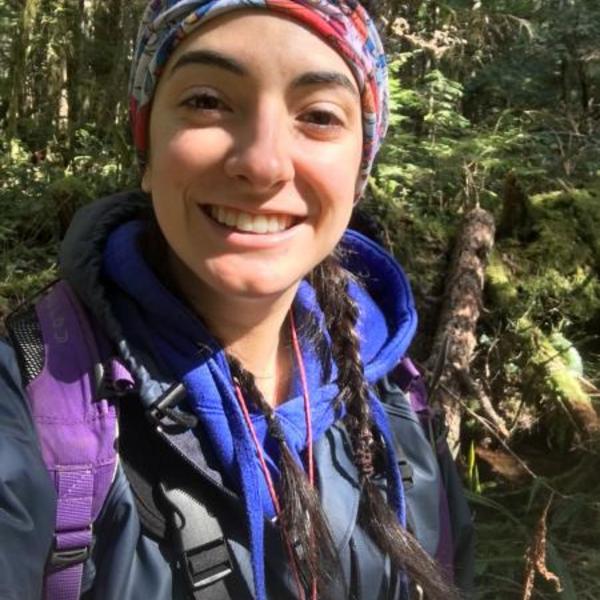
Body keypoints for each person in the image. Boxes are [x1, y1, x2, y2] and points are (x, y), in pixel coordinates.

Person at [0, 1, 468, 599]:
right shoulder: (35, 405)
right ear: (147, 143)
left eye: (319, 115)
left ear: (360, 172)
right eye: (207, 101)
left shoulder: (395, 400)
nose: (263, 164)